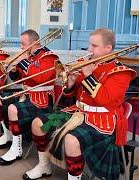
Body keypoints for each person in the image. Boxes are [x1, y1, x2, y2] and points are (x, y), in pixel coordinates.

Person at [22, 28, 136, 180]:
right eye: (90, 45)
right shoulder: (88, 63)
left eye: (94, 46)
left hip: (102, 120)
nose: (89, 49)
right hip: (77, 112)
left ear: (108, 48)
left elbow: (105, 99)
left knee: (72, 140)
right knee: (38, 124)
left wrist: (88, 75)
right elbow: (74, 93)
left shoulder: (121, 72)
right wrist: (70, 83)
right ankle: (44, 166)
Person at [0, 29, 58, 166]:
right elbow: (19, 78)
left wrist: (22, 62)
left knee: (13, 108)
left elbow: (40, 78)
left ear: (33, 43)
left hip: (42, 100)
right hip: (26, 94)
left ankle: (16, 149)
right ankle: (9, 134)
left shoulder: (49, 57)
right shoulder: (29, 56)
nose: (21, 47)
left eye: (23, 43)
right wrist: (14, 70)